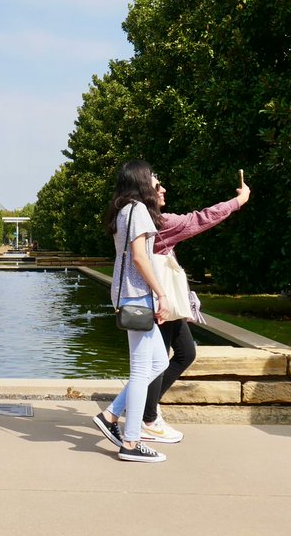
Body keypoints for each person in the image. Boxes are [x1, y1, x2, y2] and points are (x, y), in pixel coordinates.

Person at [139, 173, 251, 444]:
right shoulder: (160, 224)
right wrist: (239, 200)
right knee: (161, 361)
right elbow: (201, 219)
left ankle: (145, 410)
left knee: (184, 353)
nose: (164, 189)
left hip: (166, 302)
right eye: (157, 186)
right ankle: (147, 418)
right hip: (162, 302)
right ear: (145, 192)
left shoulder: (147, 223)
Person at [91, 160, 171, 463]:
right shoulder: (137, 210)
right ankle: (131, 441)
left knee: (159, 361)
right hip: (137, 295)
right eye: (153, 176)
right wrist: (160, 293)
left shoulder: (126, 209)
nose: (157, 181)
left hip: (131, 294)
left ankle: (111, 415)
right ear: (140, 180)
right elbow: (140, 257)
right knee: (141, 371)